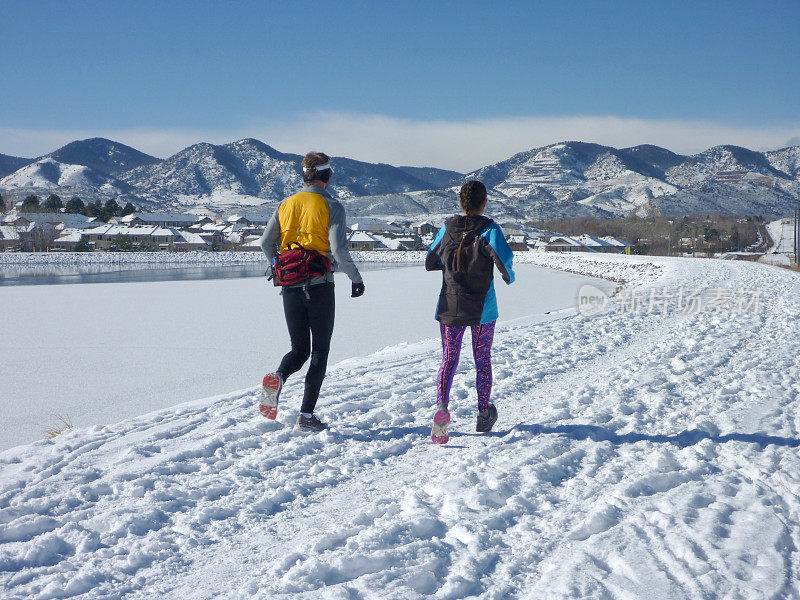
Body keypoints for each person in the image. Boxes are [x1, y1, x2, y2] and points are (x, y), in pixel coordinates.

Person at [258, 152, 365, 432]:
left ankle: (279, 377)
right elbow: (339, 250)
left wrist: (277, 266)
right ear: (328, 175)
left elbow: (265, 243)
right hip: (319, 286)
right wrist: (355, 278)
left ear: (304, 175)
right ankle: (305, 417)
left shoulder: (286, 204)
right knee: (319, 351)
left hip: (290, 286)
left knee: (298, 349)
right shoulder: (332, 205)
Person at [425, 180, 515, 444]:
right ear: (484, 202)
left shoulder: (446, 228)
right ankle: (483, 414)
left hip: (450, 306)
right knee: (482, 359)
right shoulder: (490, 229)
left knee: (449, 358)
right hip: (482, 310)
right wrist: (509, 277)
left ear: (460, 203)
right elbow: (506, 265)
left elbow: (430, 261)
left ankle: (441, 408)